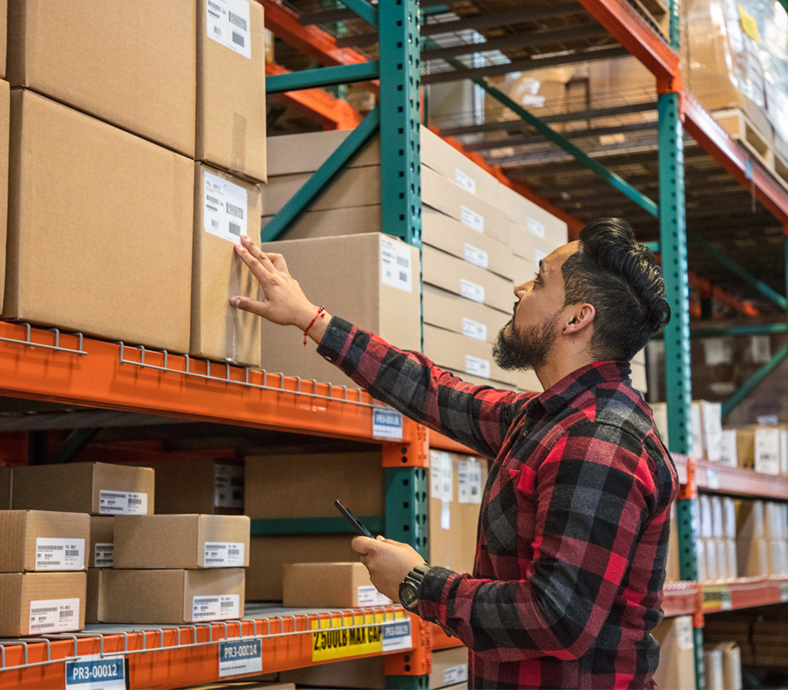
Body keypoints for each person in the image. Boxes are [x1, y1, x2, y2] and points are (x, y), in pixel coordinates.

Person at [231, 217, 678, 690]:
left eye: (541, 279)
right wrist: (310, 318)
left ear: (575, 318)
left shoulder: (596, 442)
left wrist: (419, 583)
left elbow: (555, 619)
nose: (520, 288)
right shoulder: (547, 419)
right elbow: (435, 392)